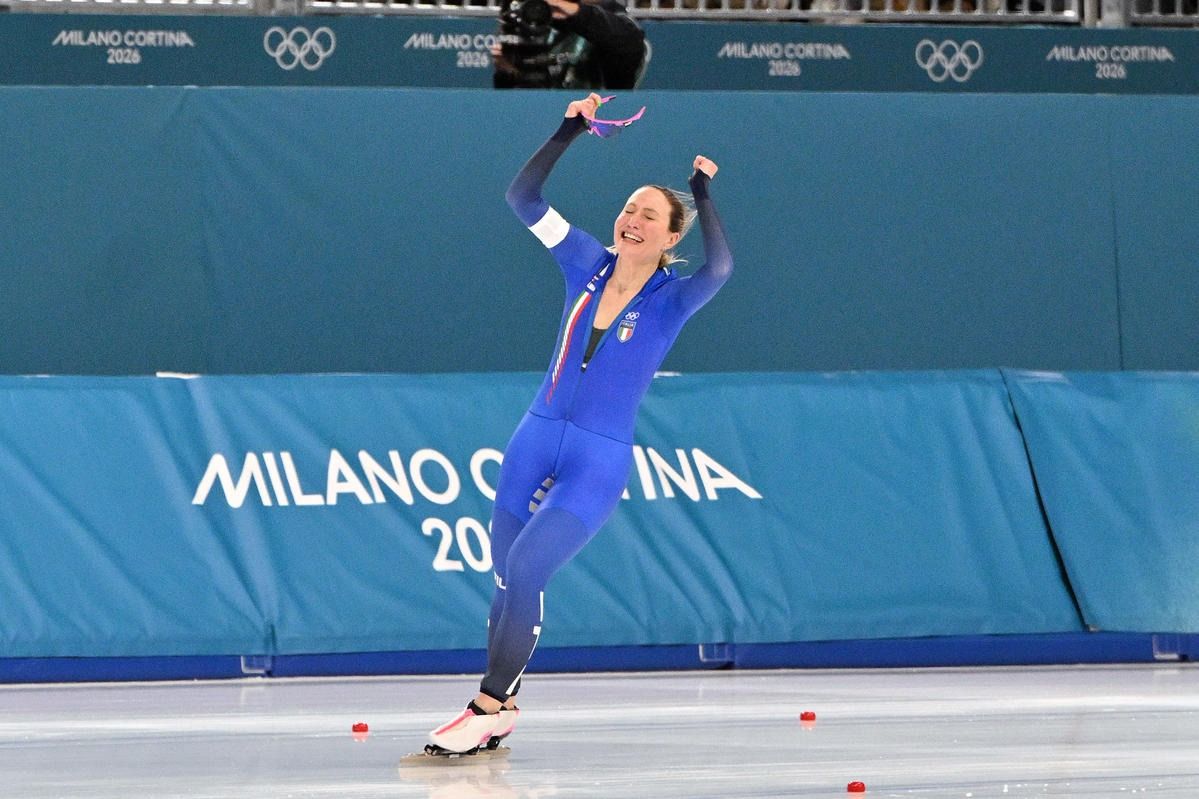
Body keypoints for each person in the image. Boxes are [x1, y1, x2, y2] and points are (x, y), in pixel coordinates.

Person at [424, 93, 732, 756]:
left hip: (597, 460)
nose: (631, 220)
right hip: (533, 439)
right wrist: (568, 129)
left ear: (670, 237)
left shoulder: (672, 300)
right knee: (504, 577)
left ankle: (484, 704)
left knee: (528, 568)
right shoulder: (583, 260)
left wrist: (702, 194)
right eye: (628, 208)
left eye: (648, 216)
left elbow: (721, 268)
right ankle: (503, 710)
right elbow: (523, 197)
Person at [494, 0, 647, 89]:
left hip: (594, 124)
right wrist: (509, 71)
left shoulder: (615, 20)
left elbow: (628, 43)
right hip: (540, 121)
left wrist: (577, 13)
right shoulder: (537, 16)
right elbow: (525, 101)